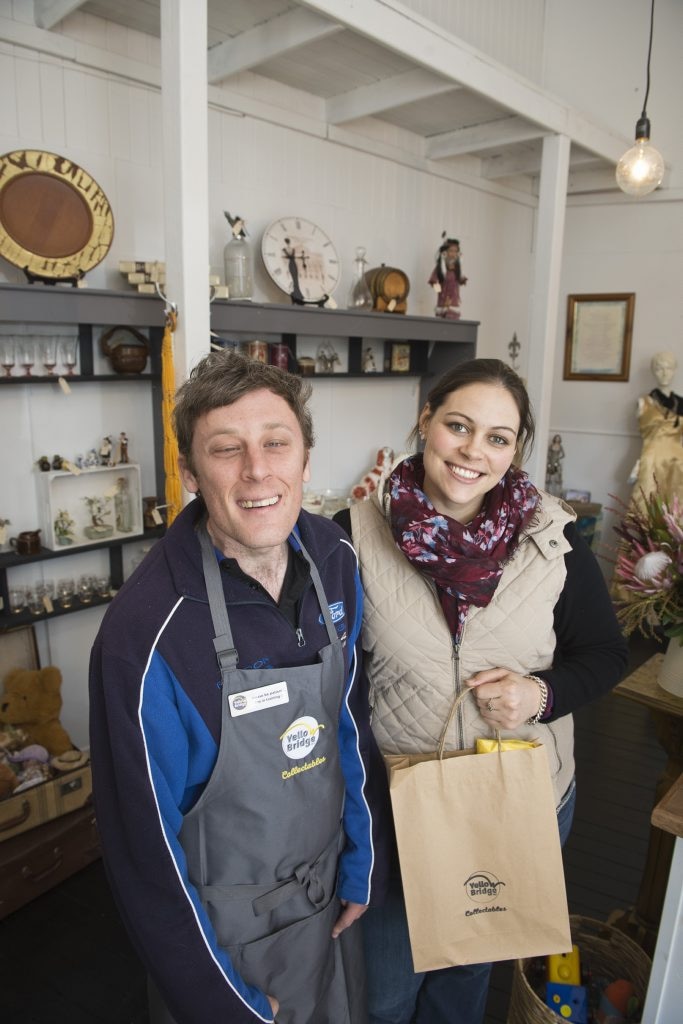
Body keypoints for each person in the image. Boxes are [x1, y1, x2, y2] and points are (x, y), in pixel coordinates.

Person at [89, 350, 386, 1024]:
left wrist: (363, 864)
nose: (257, 471)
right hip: (221, 944)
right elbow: (144, 852)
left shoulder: (334, 560)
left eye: (275, 443)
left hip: (330, 903)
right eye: (227, 450)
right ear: (192, 474)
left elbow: (350, 721)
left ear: (304, 459)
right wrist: (220, 1002)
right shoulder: (145, 633)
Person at [334, 358, 628, 1024]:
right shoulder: (353, 534)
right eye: (457, 427)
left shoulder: (554, 540)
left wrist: (537, 695)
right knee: (383, 990)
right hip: (398, 800)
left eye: (497, 437)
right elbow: (334, 669)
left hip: (517, 795)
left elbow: (606, 654)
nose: (472, 451)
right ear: (425, 423)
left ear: (514, 449)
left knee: (465, 971)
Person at [628, 350, 683, 509]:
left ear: (675, 370)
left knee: (676, 506)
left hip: (678, 463)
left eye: (669, 368)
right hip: (651, 460)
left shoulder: (681, 403)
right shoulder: (643, 402)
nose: (665, 373)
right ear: (653, 371)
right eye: (659, 368)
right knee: (646, 504)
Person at [428, 233, 468, 320]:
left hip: (453, 304)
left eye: (455, 251)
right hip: (442, 303)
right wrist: (440, 292)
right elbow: (433, 281)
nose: (453, 254)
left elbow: (461, 280)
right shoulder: (440, 269)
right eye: (451, 251)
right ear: (445, 253)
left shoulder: (458, 270)